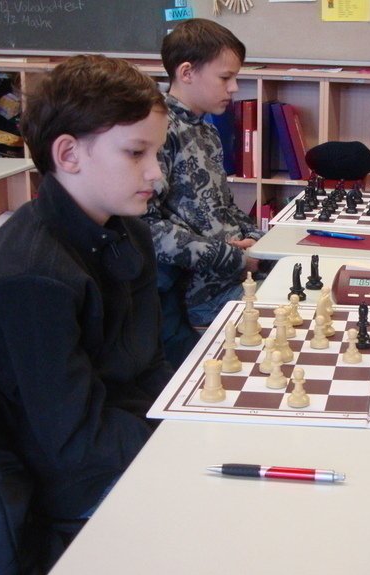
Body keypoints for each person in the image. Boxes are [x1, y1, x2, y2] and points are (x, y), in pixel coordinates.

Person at [0, 55, 173, 530]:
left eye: (156, 153)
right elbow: (74, 444)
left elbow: (148, 364)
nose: (156, 173)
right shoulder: (31, 279)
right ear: (69, 154)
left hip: (127, 440)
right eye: (136, 153)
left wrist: (186, 417)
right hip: (71, 488)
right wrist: (177, 444)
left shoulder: (128, 230)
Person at [143, 19, 266, 362]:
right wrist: (235, 258)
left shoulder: (207, 131)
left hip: (234, 275)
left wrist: (258, 240)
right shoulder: (159, 132)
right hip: (201, 295)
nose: (234, 88)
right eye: (225, 78)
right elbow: (147, 228)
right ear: (186, 72)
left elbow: (224, 207)